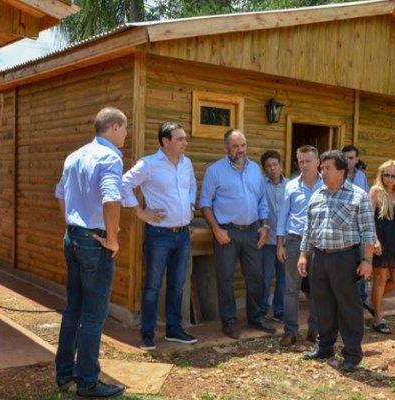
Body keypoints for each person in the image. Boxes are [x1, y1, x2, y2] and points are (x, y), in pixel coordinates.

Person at [54, 107, 127, 398]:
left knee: (73, 309)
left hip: (72, 237)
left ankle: (64, 374)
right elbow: (112, 199)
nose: (126, 134)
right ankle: (87, 382)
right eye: (124, 128)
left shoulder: (74, 156)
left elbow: (60, 194)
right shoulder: (110, 157)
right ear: (113, 127)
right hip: (94, 242)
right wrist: (111, 239)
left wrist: (73, 223)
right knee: (94, 316)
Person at [121, 122, 198, 351]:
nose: (185, 142)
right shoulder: (149, 164)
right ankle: (147, 334)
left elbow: (192, 185)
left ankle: (174, 330)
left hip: (182, 234)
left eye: (185, 138)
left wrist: (191, 204)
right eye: (180, 139)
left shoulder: (187, 163)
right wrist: (140, 212)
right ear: (165, 141)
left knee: (177, 284)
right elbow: (124, 183)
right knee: (153, 285)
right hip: (159, 235)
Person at [297, 150, 375, 372]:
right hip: (319, 258)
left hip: (345, 258)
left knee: (348, 307)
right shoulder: (317, 195)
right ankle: (325, 347)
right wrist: (304, 256)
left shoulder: (358, 196)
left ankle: (352, 353)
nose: (322, 172)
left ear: (341, 171)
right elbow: (308, 229)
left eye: (327, 168)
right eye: (321, 168)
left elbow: (368, 231)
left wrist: (367, 260)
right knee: (322, 305)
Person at [199, 129, 276, 339]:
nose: (240, 150)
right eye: (235, 146)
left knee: (256, 278)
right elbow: (205, 203)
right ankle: (230, 322)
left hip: (252, 231)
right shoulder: (215, 171)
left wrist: (265, 225)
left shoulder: (255, 170)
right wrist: (216, 229)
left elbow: (261, 201)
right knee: (225, 279)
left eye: (243, 145)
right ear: (226, 147)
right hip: (227, 233)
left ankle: (256, 318)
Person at [276, 145, 323, 347]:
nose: (304, 165)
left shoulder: (327, 184)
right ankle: (290, 332)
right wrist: (280, 244)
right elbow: (282, 216)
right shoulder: (291, 186)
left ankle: (315, 331)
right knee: (291, 289)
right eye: (301, 161)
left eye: (308, 161)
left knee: (317, 288)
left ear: (318, 162)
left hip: (319, 242)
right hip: (295, 240)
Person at [368, 160, 395, 334]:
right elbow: (369, 218)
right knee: (380, 279)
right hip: (381, 240)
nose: (390, 179)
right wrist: (374, 240)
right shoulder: (376, 191)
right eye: (386, 175)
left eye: (393, 175)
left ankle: (372, 301)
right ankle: (378, 318)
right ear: (381, 175)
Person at [341, 145, 373, 315]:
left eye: (351, 158)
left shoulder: (362, 177)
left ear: (356, 159)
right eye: (345, 157)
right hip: (343, 229)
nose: (348, 161)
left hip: (359, 228)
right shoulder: (337, 176)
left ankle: (360, 299)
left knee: (361, 263)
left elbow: (367, 200)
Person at [260, 150, 288, 323]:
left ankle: (279, 310)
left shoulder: (291, 186)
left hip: (285, 242)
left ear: (280, 165)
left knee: (283, 278)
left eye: (275, 164)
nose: (272, 168)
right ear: (264, 169)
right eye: (268, 166)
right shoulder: (261, 185)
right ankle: (262, 310)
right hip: (266, 242)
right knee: (265, 277)